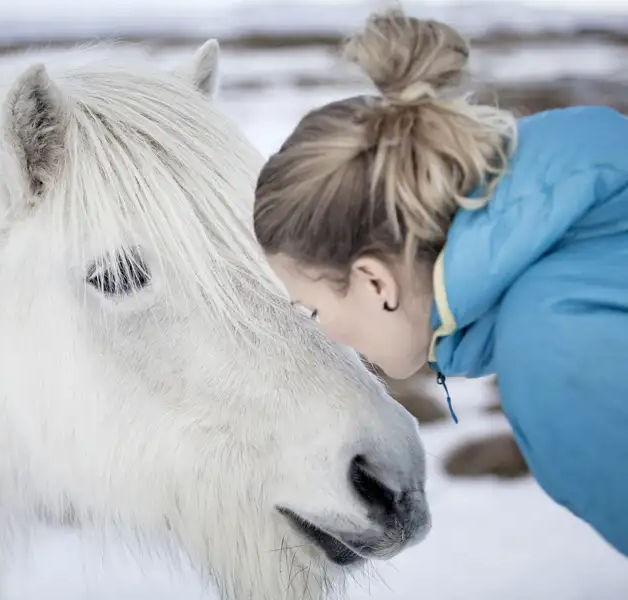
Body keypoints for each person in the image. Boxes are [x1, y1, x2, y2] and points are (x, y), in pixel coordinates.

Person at [252, 7, 628, 558]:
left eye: (312, 310)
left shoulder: (552, 351)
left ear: (375, 283)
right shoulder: (593, 214)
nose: (326, 335)